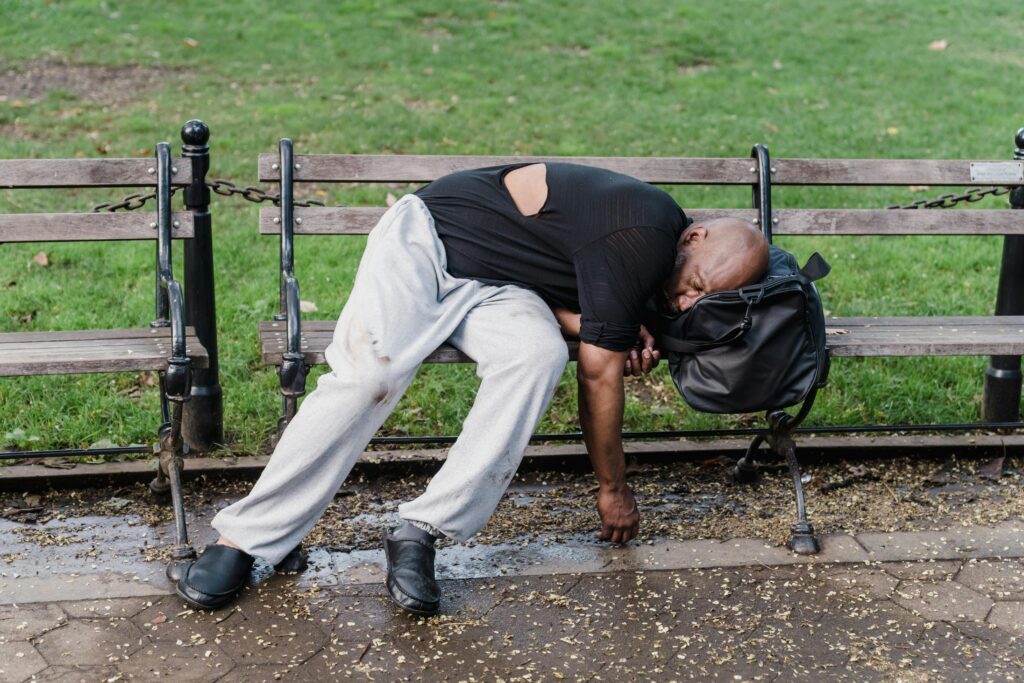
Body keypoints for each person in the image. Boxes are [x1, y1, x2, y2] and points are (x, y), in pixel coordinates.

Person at [174, 162, 770, 615]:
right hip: (429, 241)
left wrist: (590, 326)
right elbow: (599, 371)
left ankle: (422, 531)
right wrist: (613, 489)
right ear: (694, 238)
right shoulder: (642, 236)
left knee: (535, 357)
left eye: (702, 300)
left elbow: (565, 283)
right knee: (371, 374)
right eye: (693, 286)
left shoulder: (662, 251)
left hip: (501, 285)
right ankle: (246, 540)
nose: (685, 303)